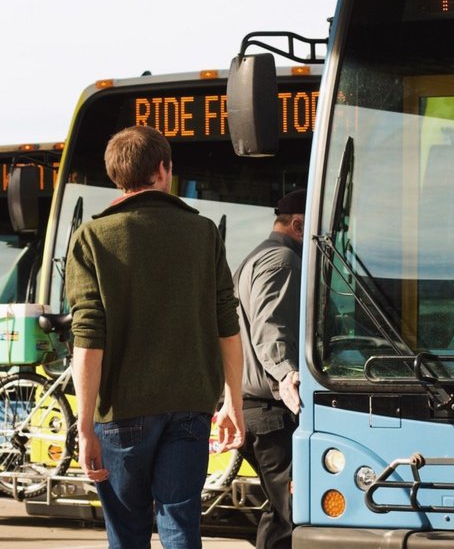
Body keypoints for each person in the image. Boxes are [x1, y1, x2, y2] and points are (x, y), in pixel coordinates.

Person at [66, 125, 245, 548]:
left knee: (128, 534)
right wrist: (233, 402)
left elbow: (89, 341)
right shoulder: (203, 233)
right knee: (181, 524)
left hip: (123, 414)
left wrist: (85, 424)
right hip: (190, 408)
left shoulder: (92, 238)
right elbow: (227, 325)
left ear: (116, 176)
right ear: (164, 170)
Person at [234, 189, 304, 549]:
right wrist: (287, 374)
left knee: (279, 513)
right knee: (297, 511)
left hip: (253, 407)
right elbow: (270, 327)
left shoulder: (255, 257)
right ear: (297, 223)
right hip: (271, 408)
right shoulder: (283, 260)